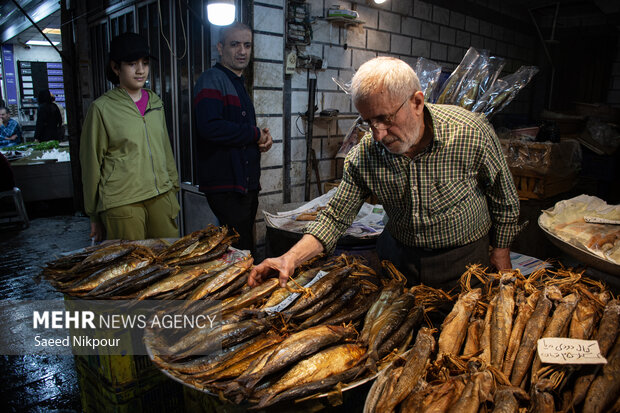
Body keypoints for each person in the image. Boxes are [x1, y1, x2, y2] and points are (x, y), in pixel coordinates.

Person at [250, 57, 521, 290]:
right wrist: (290, 258)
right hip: (399, 261)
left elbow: (503, 198)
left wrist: (500, 251)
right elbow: (334, 217)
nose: (378, 134)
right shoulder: (366, 155)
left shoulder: (470, 133)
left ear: (417, 102)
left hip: (465, 261)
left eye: (385, 119)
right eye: (368, 122)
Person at [80, 32, 180, 242]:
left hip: (160, 195)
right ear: (116, 68)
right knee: (133, 266)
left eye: (144, 63)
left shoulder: (155, 102)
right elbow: (91, 164)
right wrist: (93, 213)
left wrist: (173, 185)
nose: (140, 70)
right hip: (122, 201)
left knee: (170, 260)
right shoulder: (102, 108)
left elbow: (164, 147)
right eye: (132, 64)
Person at [193, 21, 273, 255]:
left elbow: (239, 131)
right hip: (226, 185)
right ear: (220, 47)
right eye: (234, 44)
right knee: (239, 251)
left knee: (243, 247)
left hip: (244, 186)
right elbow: (210, 127)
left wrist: (261, 140)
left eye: (247, 45)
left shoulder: (236, 82)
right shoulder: (212, 79)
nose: (242, 51)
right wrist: (254, 133)